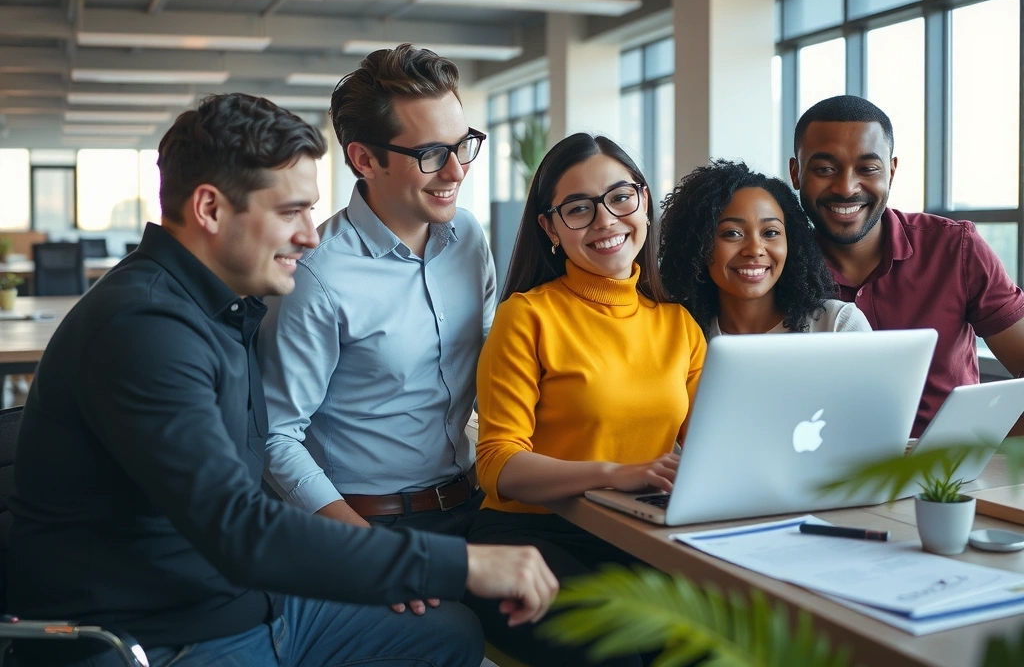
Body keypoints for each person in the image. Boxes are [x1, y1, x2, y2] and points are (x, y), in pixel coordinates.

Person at [5, 93, 557, 667]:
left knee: (449, 634)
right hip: (161, 633)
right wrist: (458, 564)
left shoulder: (219, 309)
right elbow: (240, 526)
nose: (311, 236)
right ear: (211, 210)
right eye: (290, 212)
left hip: (242, 601)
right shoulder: (143, 327)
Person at [257, 46, 494, 590]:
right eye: (433, 153)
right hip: (373, 527)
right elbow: (276, 438)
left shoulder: (469, 238)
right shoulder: (315, 276)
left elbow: (490, 368)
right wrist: (368, 554)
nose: (456, 171)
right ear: (365, 160)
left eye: (463, 145)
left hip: (475, 505)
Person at [465, 133, 707, 667]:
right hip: (529, 536)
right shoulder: (527, 315)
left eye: (621, 197)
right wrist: (612, 472)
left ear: (644, 200)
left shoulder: (679, 326)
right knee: (623, 654)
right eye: (579, 209)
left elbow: (705, 452)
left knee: (714, 646)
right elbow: (497, 464)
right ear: (549, 228)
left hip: (640, 536)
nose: (605, 221)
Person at [790, 95, 1024, 437]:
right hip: (825, 474)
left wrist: (988, 446)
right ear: (796, 173)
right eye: (825, 169)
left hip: (948, 479)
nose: (846, 187)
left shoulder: (955, 248)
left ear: (892, 171)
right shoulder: (778, 267)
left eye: (868, 169)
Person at [659, 159, 870, 337]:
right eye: (732, 233)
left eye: (770, 233)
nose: (755, 249)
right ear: (698, 244)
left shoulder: (836, 326)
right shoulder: (682, 336)